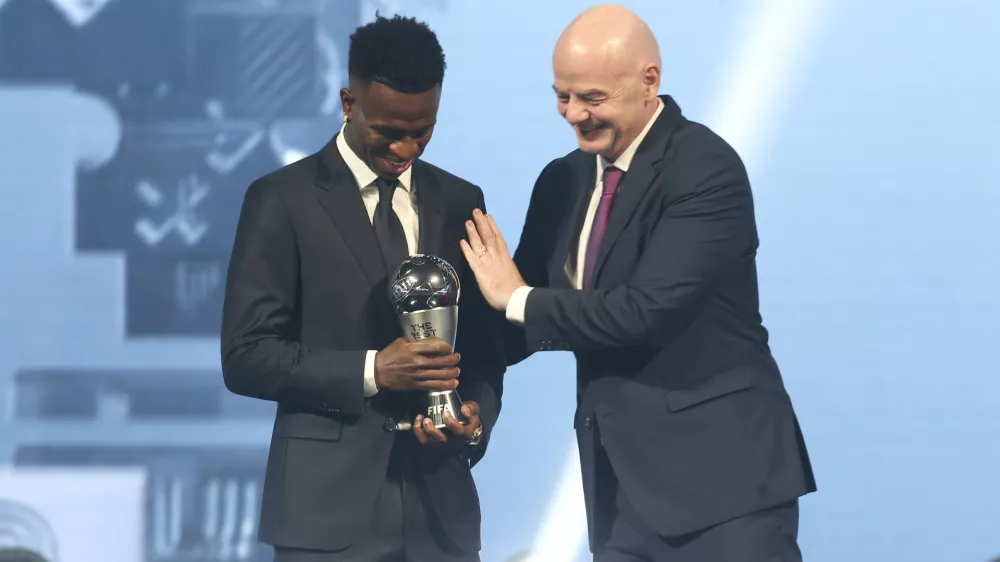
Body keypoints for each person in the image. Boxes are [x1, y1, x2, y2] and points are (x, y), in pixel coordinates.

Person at [459, 4, 815, 561]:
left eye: (592, 98)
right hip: (620, 493)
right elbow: (518, 321)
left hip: (724, 489)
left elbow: (642, 311)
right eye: (562, 95)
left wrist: (518, 299)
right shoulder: (563, 180)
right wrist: (439, 362)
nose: (574, 114)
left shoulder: (704, 169)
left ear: (650, 80)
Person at [220, 14, 505, 562]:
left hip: (440, 515)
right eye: (388, 131)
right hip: (324, 515)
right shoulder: (281, 200)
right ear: (349, 102)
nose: (407, 148)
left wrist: (473, 420)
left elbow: (487, 351)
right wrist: (375, 371)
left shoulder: (462, 199)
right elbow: (246, 356)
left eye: (423, 131)